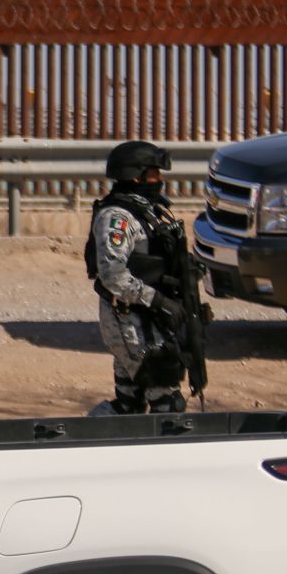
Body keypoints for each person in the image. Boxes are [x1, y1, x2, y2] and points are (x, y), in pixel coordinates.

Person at [87, 140, 201, 414]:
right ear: (136, 175)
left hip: (147, 320)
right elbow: (112, 274)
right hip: (130, 321)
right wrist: (158, 300)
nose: (159, 180)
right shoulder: (117, 217)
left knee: (130, 405)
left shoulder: (149, 211)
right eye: (154, 173)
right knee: (167, 405)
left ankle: (96, 446)